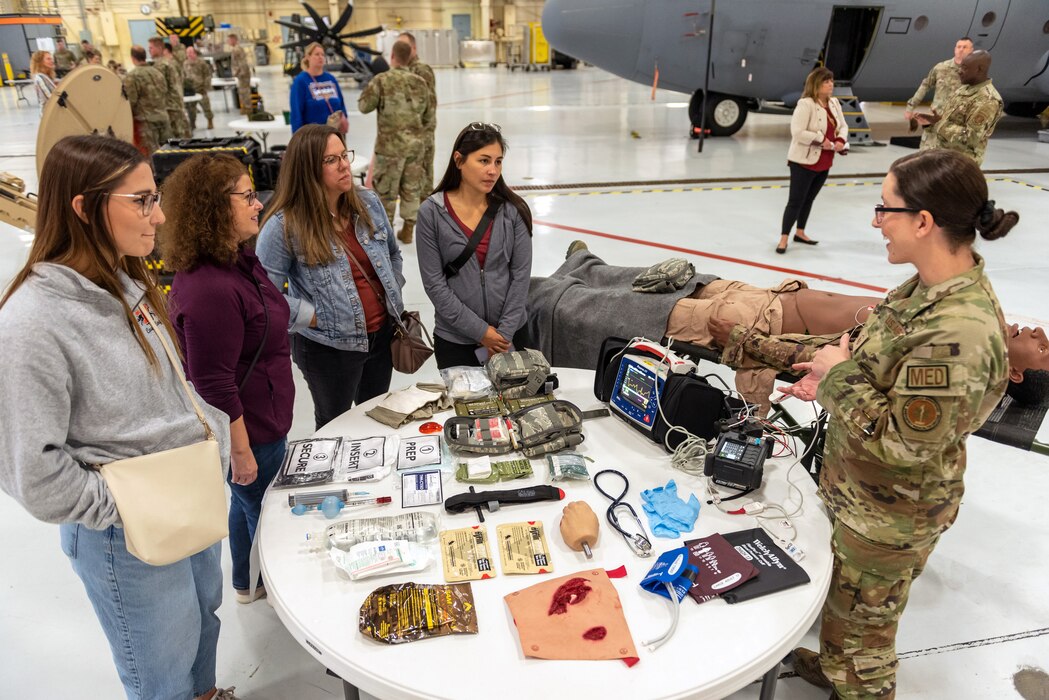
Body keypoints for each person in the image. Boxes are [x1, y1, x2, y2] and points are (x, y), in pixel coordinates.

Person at [771, 149, 1017, 698]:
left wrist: (837, 380)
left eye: (886, 209)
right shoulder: (922, 289)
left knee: (868, 651)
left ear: (924, 222)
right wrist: (836, 374)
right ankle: (836, 660)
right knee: (848, 611)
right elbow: (886, 372)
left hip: (890, 515)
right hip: (863, 499)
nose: (878, 222)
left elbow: (904, 444)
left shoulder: (959, 333)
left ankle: (854, 679)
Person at [0, 134, 236, 700]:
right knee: (162, 674)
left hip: (187, 500)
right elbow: (35, 476)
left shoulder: (125, 282)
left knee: (203, 632)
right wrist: (129, 507)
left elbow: (172, 389)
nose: (158, 216)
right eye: (142, 201)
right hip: (126, 535)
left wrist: (212, 438)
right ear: (84, 208)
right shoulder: (31, 324)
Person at [162, 154, 295, 605]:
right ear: (215, 208)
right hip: (251, 432)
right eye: (246, 197)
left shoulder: (237, 259)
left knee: (244, 509)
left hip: (264, 420)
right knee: (270, 521)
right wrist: (240, 453)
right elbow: (214, 384)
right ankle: (286, 599)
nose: (258, 204)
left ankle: (247, 583)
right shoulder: (209, 289)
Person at [257, 124, 405, 429]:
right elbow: (262, 295)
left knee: (377, 419)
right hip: (328, 349)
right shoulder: (283, 226)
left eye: (344, 155)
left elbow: (393, 253)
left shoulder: (369, 204)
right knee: (334, 424)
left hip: (380, 338)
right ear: (308, 169)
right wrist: (313, 316)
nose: (344, 165)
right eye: (331, 160)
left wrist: (393, 293)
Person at [417, 122, 533, 368]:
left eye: (498, 161)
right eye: (484, 161)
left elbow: (521, 276)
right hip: (456, 342)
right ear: (459, 161)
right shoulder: (432, 213)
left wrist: (503, 335)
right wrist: (482, 333)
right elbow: (434, 285)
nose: (493, 170)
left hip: (511, 335)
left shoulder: (514, 210)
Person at [358, 40, 434, 244]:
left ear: (392, 56)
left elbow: (364, 106)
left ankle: (387, 232)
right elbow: (429, 116)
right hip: (414, 148)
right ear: (409, 57)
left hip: (389, 149)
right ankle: (408, 230)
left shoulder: (381, 80)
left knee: (386, 192)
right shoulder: (420, 82)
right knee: (411, 189)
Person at [777, 66, 848, 254]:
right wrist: (821, 139)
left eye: (831, 80)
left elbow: (843, 125)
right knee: (795, 201)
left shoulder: (834, 103)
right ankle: (783, 238)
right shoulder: (805, 104)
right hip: (803, 162)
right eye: (826, 81)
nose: (831, 84)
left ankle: (800, 232)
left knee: (809, 199)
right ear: (816, 84)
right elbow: (798, 133)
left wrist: (840, 140)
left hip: (825, 160)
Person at [916, 50, 1003, 166]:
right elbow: (954, 120)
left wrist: (940, 124)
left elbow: (970, 137)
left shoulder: (987, 100)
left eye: (965, 68)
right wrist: (935, 121)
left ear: (979, 69)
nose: (959, 71)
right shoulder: (964, 89)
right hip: (945, 156)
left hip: (960, 164)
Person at [904, 37, 973, 148]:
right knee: (926, 157)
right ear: (955, 49)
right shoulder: (941, 68)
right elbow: (925, 85)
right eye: (959, 47)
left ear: (971, 50)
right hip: (935, 120)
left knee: (949, 159)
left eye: (965, 47)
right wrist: (910, 107)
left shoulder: (972, 72)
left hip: (956, 123)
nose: (961, 50)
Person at [398, 31, 437, 205]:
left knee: (424, 181)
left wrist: (421, 135)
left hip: (422, 136)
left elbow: (430, 106)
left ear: (413, 48)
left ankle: (427, 221)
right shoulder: (399, 70)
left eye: (405, 46)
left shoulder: (422, 70)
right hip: (404, 138)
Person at [125, 45, 173, 157]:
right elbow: (165, 91)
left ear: (132, 58)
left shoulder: (132, 76)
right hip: (163, 118)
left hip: (146, 123)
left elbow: (130, 101)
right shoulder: (157, 73)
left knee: (152, 157)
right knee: (168, 153)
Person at [289, 42, 348, 133]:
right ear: (308, 57)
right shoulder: (300, 81)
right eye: (317, 54)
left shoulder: (331, 79)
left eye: (322, 55)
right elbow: (296, 113)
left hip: (335, 133)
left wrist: (344, 119)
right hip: (314, 137)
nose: (320, 57)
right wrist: (297, 137)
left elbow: (341, 104)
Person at [149, 37, 190, 139]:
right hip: (177, 104)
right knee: (183, 134)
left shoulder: (160, 65)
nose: (149, 50)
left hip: (170, 107)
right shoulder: (170, 62)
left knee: (177, 139)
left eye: (151, 48)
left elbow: (159, 89)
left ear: (159, 48)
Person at [184, 46, 215, 131]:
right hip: (191, 90)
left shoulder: (201, 63)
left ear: (195, 53)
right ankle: (192, 123)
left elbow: (207, 75)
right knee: (191, 109)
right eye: (187, 53)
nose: (189, 54)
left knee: (206, 107)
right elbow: (183, 75)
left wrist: (206, 86)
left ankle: (210, 121)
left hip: (201, 89)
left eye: (190, 52)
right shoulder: (185, 63)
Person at [228, 34, 252, 115]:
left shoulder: (236, 49)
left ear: (234, 40)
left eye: (229, 40)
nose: (228, 42)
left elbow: (241, 63)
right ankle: (245, 107)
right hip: (242, 73)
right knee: (243, 91)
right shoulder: (237, 48)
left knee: (244, 91)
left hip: (243, 73)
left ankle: (248, 108)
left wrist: (238, 73)